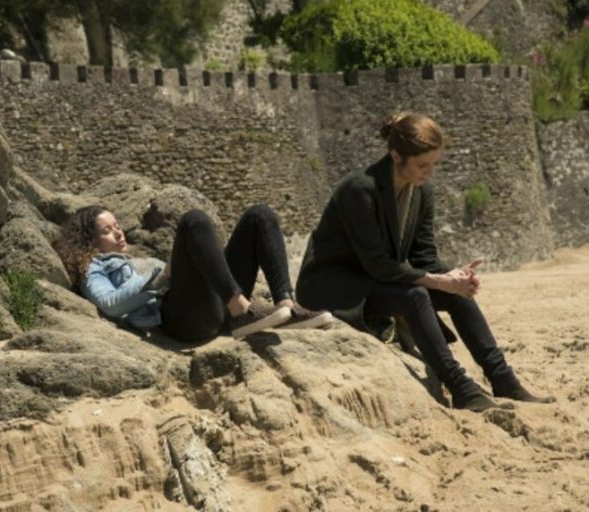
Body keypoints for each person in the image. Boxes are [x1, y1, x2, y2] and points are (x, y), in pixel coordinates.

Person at [296, 112, 554, 412]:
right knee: (415, 295)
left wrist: (456, 278)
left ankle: (503, 379)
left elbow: (424, 256)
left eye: (434, 164)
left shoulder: (421, 191)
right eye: (422, 165)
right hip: (332, 287)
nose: (429, 172)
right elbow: (377, 263)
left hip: (377, 280)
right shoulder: (359, 189)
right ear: (396, 155)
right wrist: (437, 281)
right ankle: (460, 388)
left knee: (456, 295)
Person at [53, 204, 334, 343]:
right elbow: (110, 304)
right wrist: (162, 277)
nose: (118, 232)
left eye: (117, 225)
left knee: (260, 215)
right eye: (107, 231)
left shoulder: (134, 258)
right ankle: (240, 310)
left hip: (210, 307)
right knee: (192, 221)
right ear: (91, 242)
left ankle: (287, 306)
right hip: (181, 322)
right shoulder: (93, 269)